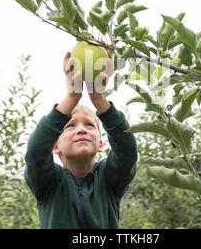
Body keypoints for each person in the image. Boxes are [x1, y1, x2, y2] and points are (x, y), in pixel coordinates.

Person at [24, 49, 138, 229]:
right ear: (55, 147)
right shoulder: (48, 182)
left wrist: (98, 99)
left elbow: (127, 151)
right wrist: (72, 97)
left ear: (100, 144)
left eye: (90, 125)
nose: (81, 130)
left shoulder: (109, 179)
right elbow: (35, 152)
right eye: (70, 126)